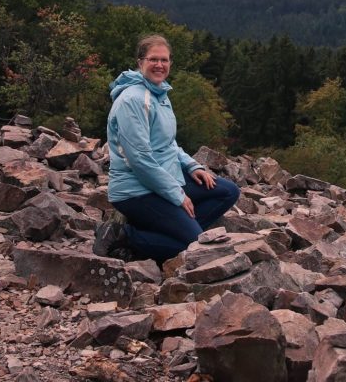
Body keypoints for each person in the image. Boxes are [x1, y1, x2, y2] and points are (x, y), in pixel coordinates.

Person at [94, 34, 240, 264]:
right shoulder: (133, 100)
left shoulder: (159, 93)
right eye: (153, 59)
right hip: (136, 191)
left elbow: (168, 143)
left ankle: (162, 230)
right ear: (140, 62)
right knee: (194, 245)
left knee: (227, 191)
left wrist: (192, 166)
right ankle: (125, 237)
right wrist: (178, 195)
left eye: (164, 60)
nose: (159, 65)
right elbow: (139, 160)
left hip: (164, 177)